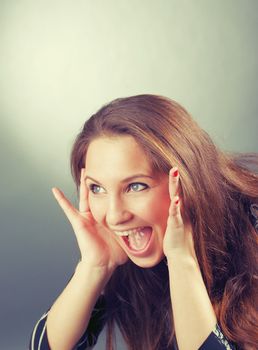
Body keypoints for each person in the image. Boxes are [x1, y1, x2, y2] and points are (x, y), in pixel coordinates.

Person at [29, 94, 258, 350]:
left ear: (185, 181)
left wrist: (182, 259)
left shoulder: (252, 234)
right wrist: (95, 266)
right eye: (97, 188)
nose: (114, 216)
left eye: (136, 186)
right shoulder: (129, 250)